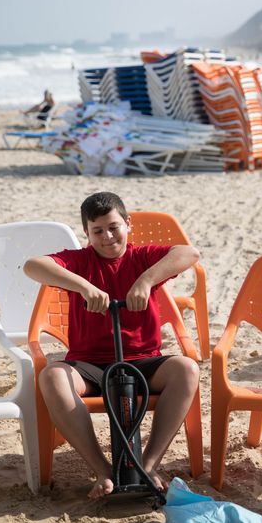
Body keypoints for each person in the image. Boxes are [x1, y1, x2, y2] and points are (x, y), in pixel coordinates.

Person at [24, 192, 200, 499]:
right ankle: (103, 471)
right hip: (89, 365)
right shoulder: (79, 261)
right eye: (97, 231)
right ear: (87, 233)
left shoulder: (141, 257)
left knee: (186, 369)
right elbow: (32, 266)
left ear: (128, 224)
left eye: (113, 227)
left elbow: (189, 253)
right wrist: (83, 286)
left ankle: (148, 465)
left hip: (143, 361)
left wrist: (146, 280)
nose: (107, 237)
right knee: (52, 376)